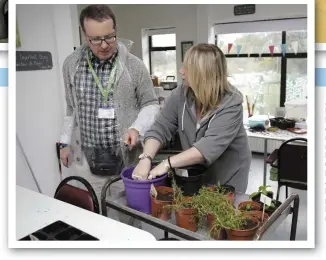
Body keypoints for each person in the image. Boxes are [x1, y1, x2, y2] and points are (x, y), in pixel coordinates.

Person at [59, 4, 160, 208]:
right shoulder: (71, 65)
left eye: (109, 37)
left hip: (127, 162)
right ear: (84, 35)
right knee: (95, 210)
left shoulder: (134, 65)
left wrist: (136, 128)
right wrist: (64, 142)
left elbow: (151, 104)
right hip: (89, 161)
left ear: (116, 31)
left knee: (129, 215)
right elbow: (71, 108)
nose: (104, 45)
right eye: (96, 39)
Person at [132, 43, 251, 193]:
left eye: (188, 69)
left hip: (228, 174)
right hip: (197, 173)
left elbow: (206, 149)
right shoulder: (181, 94)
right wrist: (146, 158)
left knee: (222, 213)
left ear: (202, 74)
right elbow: (160, 128)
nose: (181, 71)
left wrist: (166, 164)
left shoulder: (231, 104)